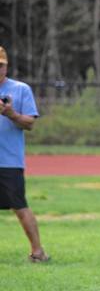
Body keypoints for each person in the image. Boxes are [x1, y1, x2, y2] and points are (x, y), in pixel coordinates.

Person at [0, 46, 49, 263]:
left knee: (19, 206)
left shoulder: (20, 90)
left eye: (0, 65)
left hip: (9, 160)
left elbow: (29, 123)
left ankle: (38, 252)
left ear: (6, 65)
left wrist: (11, 114)